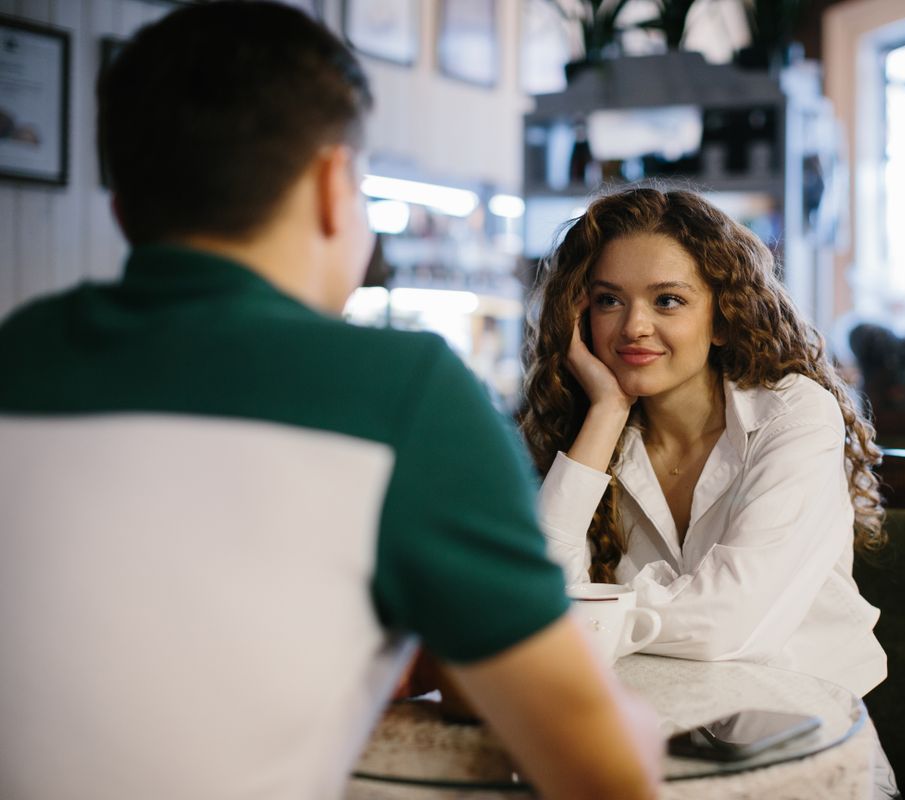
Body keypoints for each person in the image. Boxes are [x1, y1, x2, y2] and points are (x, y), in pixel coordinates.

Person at [0, 4, 660, 799]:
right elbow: (599, 770)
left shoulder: (20, 351)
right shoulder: (403, 395)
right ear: (328, 185)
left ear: (122, 202)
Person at [521, 187, 897, 791]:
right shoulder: (600, 430)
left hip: (803, 753)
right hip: (651, 744)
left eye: (668, 300)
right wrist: (605, 414)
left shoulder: (794, 416)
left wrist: (587, 620)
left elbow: (731, 621)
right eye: (608, 300)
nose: (634, 327)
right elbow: (534, 590)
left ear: (722, 317)